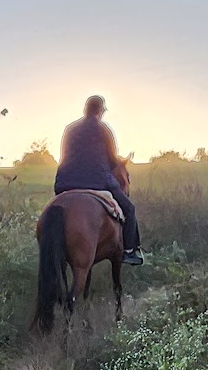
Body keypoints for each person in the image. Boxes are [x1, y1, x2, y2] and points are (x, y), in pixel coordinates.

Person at [54, 94, 143, 263]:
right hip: (97, 181)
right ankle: (130, 251)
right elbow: (111, 160)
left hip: (64, 183)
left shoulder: (69, 129)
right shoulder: (103, 129)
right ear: (100, 111)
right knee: (129, 209)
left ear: (85, 109)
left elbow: (64, 156)